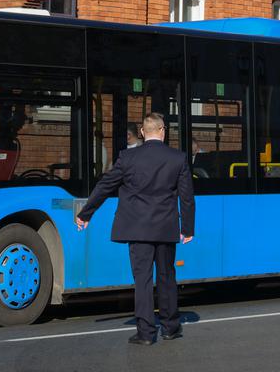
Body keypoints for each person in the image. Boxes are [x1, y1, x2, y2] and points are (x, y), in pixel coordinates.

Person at [75, 112, 195, 345]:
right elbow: (187, 198)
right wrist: (188, 229)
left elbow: (105, 185)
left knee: (142, 280)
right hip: (165, 228)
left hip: (137, 229)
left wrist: (85, 213)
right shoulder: (177, 158)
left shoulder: (128, 158)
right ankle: (170, 327)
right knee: (167, 276)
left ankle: (146, 333)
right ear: (163, 131)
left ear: (142, 132)